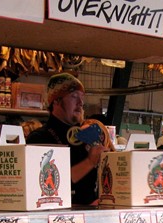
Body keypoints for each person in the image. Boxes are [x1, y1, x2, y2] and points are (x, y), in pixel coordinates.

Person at [27, 73, 108, 205]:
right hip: (58, 216)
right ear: (56, 101)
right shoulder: (40, 138)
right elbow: (47, 184)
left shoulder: (86, 135)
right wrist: (90, 162)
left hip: (92, 214)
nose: (80, 103)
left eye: (82, 97)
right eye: (74, 96)